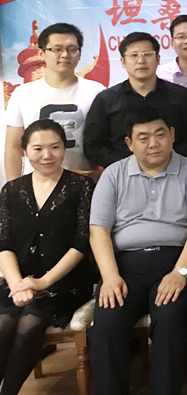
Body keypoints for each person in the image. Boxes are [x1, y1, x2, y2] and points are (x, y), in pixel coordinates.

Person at [88, 106, 187, 395]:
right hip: (125, 266)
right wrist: (110, 276)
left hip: (176, 262)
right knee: (107, 322)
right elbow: (98, 231)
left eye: (160, 134)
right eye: (143, 138)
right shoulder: (113, 174)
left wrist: (180, 273)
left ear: (172, 135)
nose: (153, 143)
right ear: (130, 143)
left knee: (169, 318)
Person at [0, 120, 96, 395]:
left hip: (65, 282)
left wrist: (42, 283)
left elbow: (81, 244)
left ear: (64, 148)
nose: (47, 155)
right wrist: (17, 284)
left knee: (29, 324)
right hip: (18, 281)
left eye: (55, 147)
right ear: (24, 152)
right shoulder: (11, 190)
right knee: (2, 324)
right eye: (38, 148)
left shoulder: (81, 186)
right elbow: (4, 244)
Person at [4, 22, 105, 180]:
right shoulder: (22, 93)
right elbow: (13, 147)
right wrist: (13, 188)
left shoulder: (97, 92)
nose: (65, 55)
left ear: (79, 54)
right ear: (42, 53)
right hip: (36, 185)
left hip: (84, 183)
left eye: (72, 49)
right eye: (57, 49)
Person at [84, 32, 187, 168]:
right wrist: (125, 166)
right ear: (123, 62)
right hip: (122, 174)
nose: (141, 61)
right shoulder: (106, 99)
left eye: (147, 54)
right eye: (134, 55)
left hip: (173, 171)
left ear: (158, 59)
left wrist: (166, 164)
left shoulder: (180, 95)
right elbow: (92, 145)